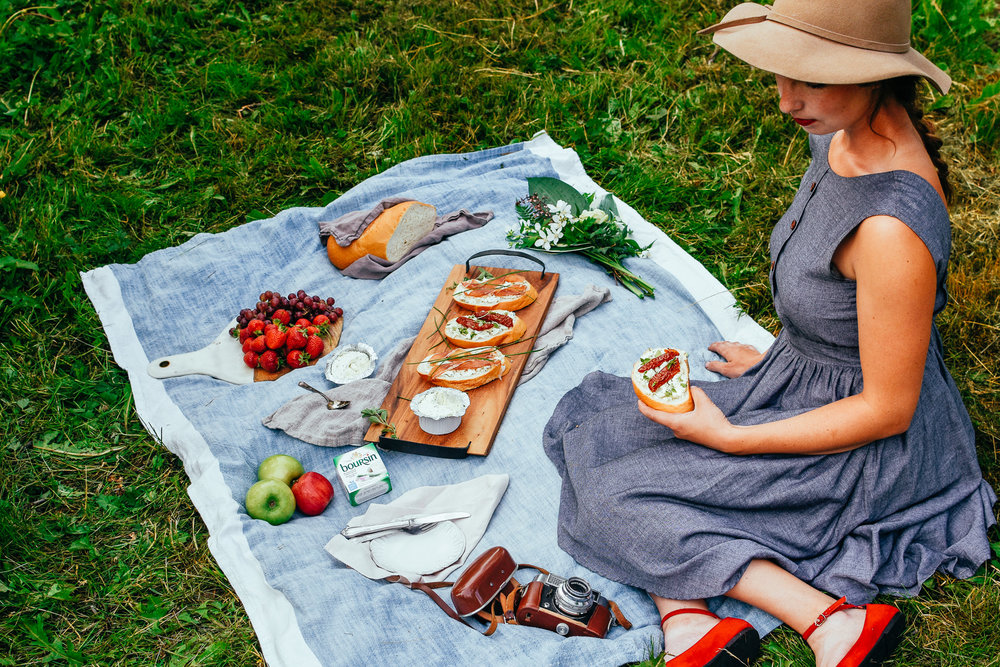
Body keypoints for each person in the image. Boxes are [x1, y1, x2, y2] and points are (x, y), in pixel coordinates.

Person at [542, 1, 997, 666]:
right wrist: (785, 360)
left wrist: (732, 435)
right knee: (595, 424)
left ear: (870, 73)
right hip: (806, 382)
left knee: (618, 492)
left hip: (872, 454)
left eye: (810, 79)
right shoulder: (842, 131)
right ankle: (692, 619)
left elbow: (888, 408)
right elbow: (847, 312)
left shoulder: (890, 230)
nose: (787, 101)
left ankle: (830, 621)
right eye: (782, 75)